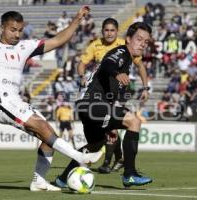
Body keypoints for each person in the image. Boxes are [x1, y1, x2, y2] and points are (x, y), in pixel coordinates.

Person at [0, 8, 103, 192]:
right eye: (12, 29)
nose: (17, 34)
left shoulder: (25, 46)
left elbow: (58, 40)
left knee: (48, 137)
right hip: (2, 103)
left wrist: (77, 20)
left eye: (20, 30)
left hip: (17, 102)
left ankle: (38, 182)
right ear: (2, 27)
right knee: (44, 129)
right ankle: (80, 157)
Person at [55, 22, 153, 188]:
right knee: (134, 122)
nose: (143, 43)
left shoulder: (127, 58)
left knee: (94, 146)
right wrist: (117, 72)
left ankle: (63, 179)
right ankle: (129, 174)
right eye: (139, 39)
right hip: (92, 103)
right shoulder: (121, 52)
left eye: (146, 41)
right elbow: (108, 64)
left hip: (87, 105)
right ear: (128, 39)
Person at [77, 17, 145, 174]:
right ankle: (121, 162)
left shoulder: (126, 45)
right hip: (98, 94)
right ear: (102, 32)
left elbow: (140, 65)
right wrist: (81, 76)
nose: (109, 33)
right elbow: (86, 64)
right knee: (101, 138)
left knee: (120, 125)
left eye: (112, 30)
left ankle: (112, 162)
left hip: (116, 92)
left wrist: (146, 86)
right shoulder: (97, 45)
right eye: (106, 30)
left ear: (117, 32)